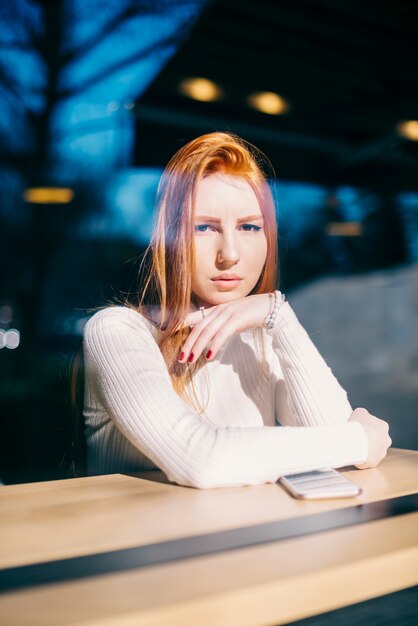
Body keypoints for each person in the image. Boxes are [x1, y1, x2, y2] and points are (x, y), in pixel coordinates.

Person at [81, 131, 391, 488]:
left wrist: (280, 317)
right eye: (204, 227)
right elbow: (201, 461)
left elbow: (335, 454)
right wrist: (359, 440)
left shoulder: (258, 340)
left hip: (246, 541)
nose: (230, 253)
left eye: (248, 226)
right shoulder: (116, 331)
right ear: (172, 240)